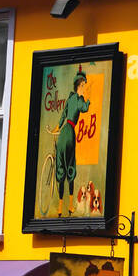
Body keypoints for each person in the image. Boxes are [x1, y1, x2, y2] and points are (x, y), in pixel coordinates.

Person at [53, 71, 90, 216]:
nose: (85, 88)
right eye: (84, 85)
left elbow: (63, 115)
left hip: (63, 133)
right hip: (70, 133)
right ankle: (70, 206)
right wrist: (88, 101)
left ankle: (60, 208)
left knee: (60, 167)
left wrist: (57, 126)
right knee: (70, 167)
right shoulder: (79, 98)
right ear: (80, 85)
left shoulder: (69, 98)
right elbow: (84, 108)